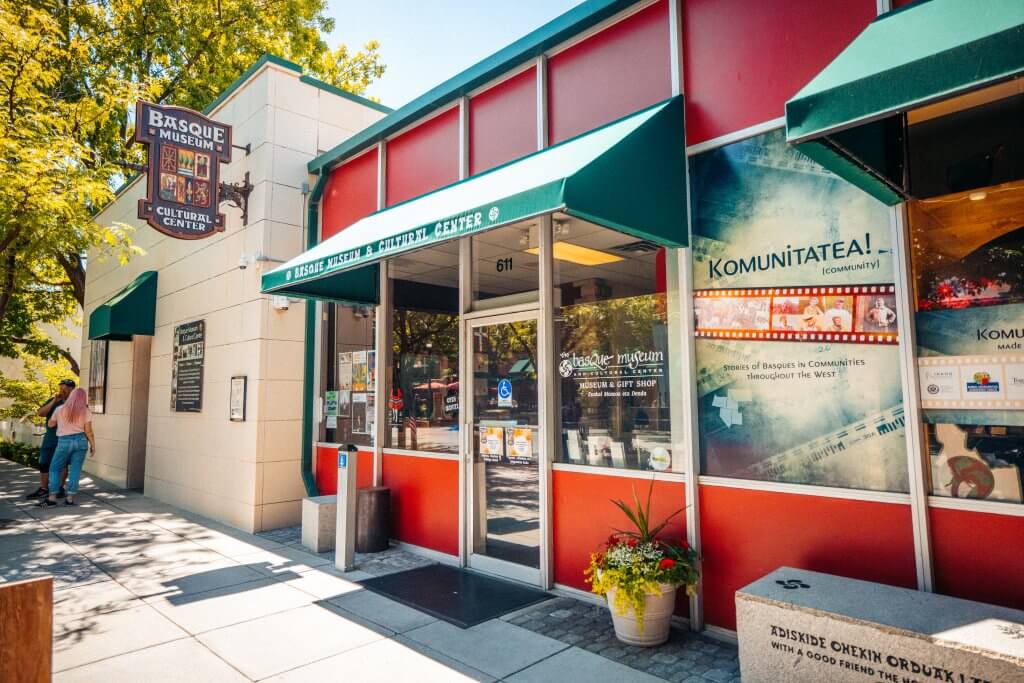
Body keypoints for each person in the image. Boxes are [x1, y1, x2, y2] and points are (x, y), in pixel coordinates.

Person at [39, 388, 95, 507]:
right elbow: (89, 431)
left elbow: (51, 424)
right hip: (81, 441)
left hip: (64, 441)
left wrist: (60, 422)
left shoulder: (60, 409)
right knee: (75, 470)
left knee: (54, 469)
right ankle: (70, 499)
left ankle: (52, 498)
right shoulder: (86, 411)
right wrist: (93, 446)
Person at [25, 379, 75, 500]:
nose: (63, 390)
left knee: (62, 464)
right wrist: (54, 401)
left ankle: (59, 489)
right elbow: (40, 413)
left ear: (72, 389)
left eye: (66, 388)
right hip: (50, 438)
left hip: (65, 438)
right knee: (43, 463)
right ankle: (43, 489)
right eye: (61, 388)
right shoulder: (54, 401)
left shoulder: (76, 402)